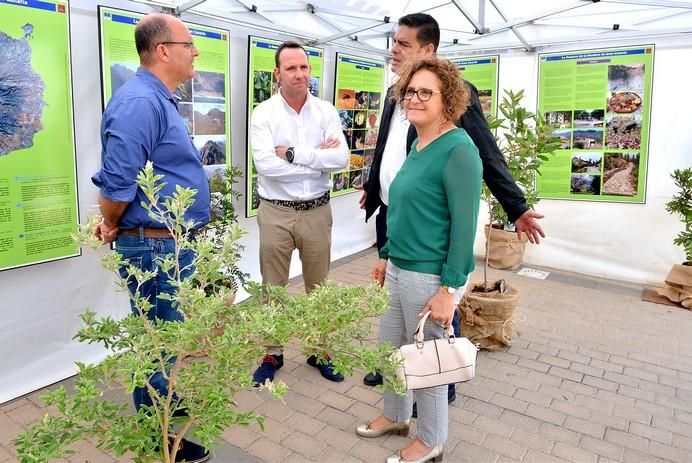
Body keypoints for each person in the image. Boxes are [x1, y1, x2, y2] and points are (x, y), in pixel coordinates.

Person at [359, 13, 545, 404]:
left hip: (429, 227)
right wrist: (374, 187)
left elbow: (484, 153)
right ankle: (399, 374)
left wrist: (516, 207)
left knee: (436, 305)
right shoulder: (399, 91)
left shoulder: (453, 94)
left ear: (428, 50)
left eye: (404, 44)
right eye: (393, 42)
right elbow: (388, 148)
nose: (394, 50)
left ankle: (441, 381)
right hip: (394, 217)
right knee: (396, 307)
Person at [91, 13, 210, 463]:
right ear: (163, 50)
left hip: (169, 244)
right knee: (159, 340)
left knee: (168, 334)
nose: (195, 51)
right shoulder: (140, 102)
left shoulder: (157, 99)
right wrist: (112, 222)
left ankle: (165, 403)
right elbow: (117, 185)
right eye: (189, 44)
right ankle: (157, 437)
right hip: (157, 246)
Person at [356, 56, 482, 463]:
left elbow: (464, 230)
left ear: (448, 99)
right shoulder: (417, 141)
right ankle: (396, 416)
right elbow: (406, 208)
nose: (414, 98)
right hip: (398, 268)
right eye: (410, 90)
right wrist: (386, 254)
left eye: (426, 91)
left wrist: (449, 290)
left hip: (429, 278)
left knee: (428, 367)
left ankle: (432, 440)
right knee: (390, 349)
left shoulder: (459, 149)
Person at [250, 41, 349, 385]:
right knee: (273, 288)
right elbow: (265, 166)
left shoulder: (326, 112)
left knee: (319, 287)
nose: (299, 74)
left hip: (317, 212)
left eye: (304, 67)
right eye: (291, 68)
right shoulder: (263, 113)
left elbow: (340, 159)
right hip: (276, 212)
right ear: (277, 74)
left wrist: (292, 154)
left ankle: (319, 350)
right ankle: (272, 353)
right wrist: (316, 158)